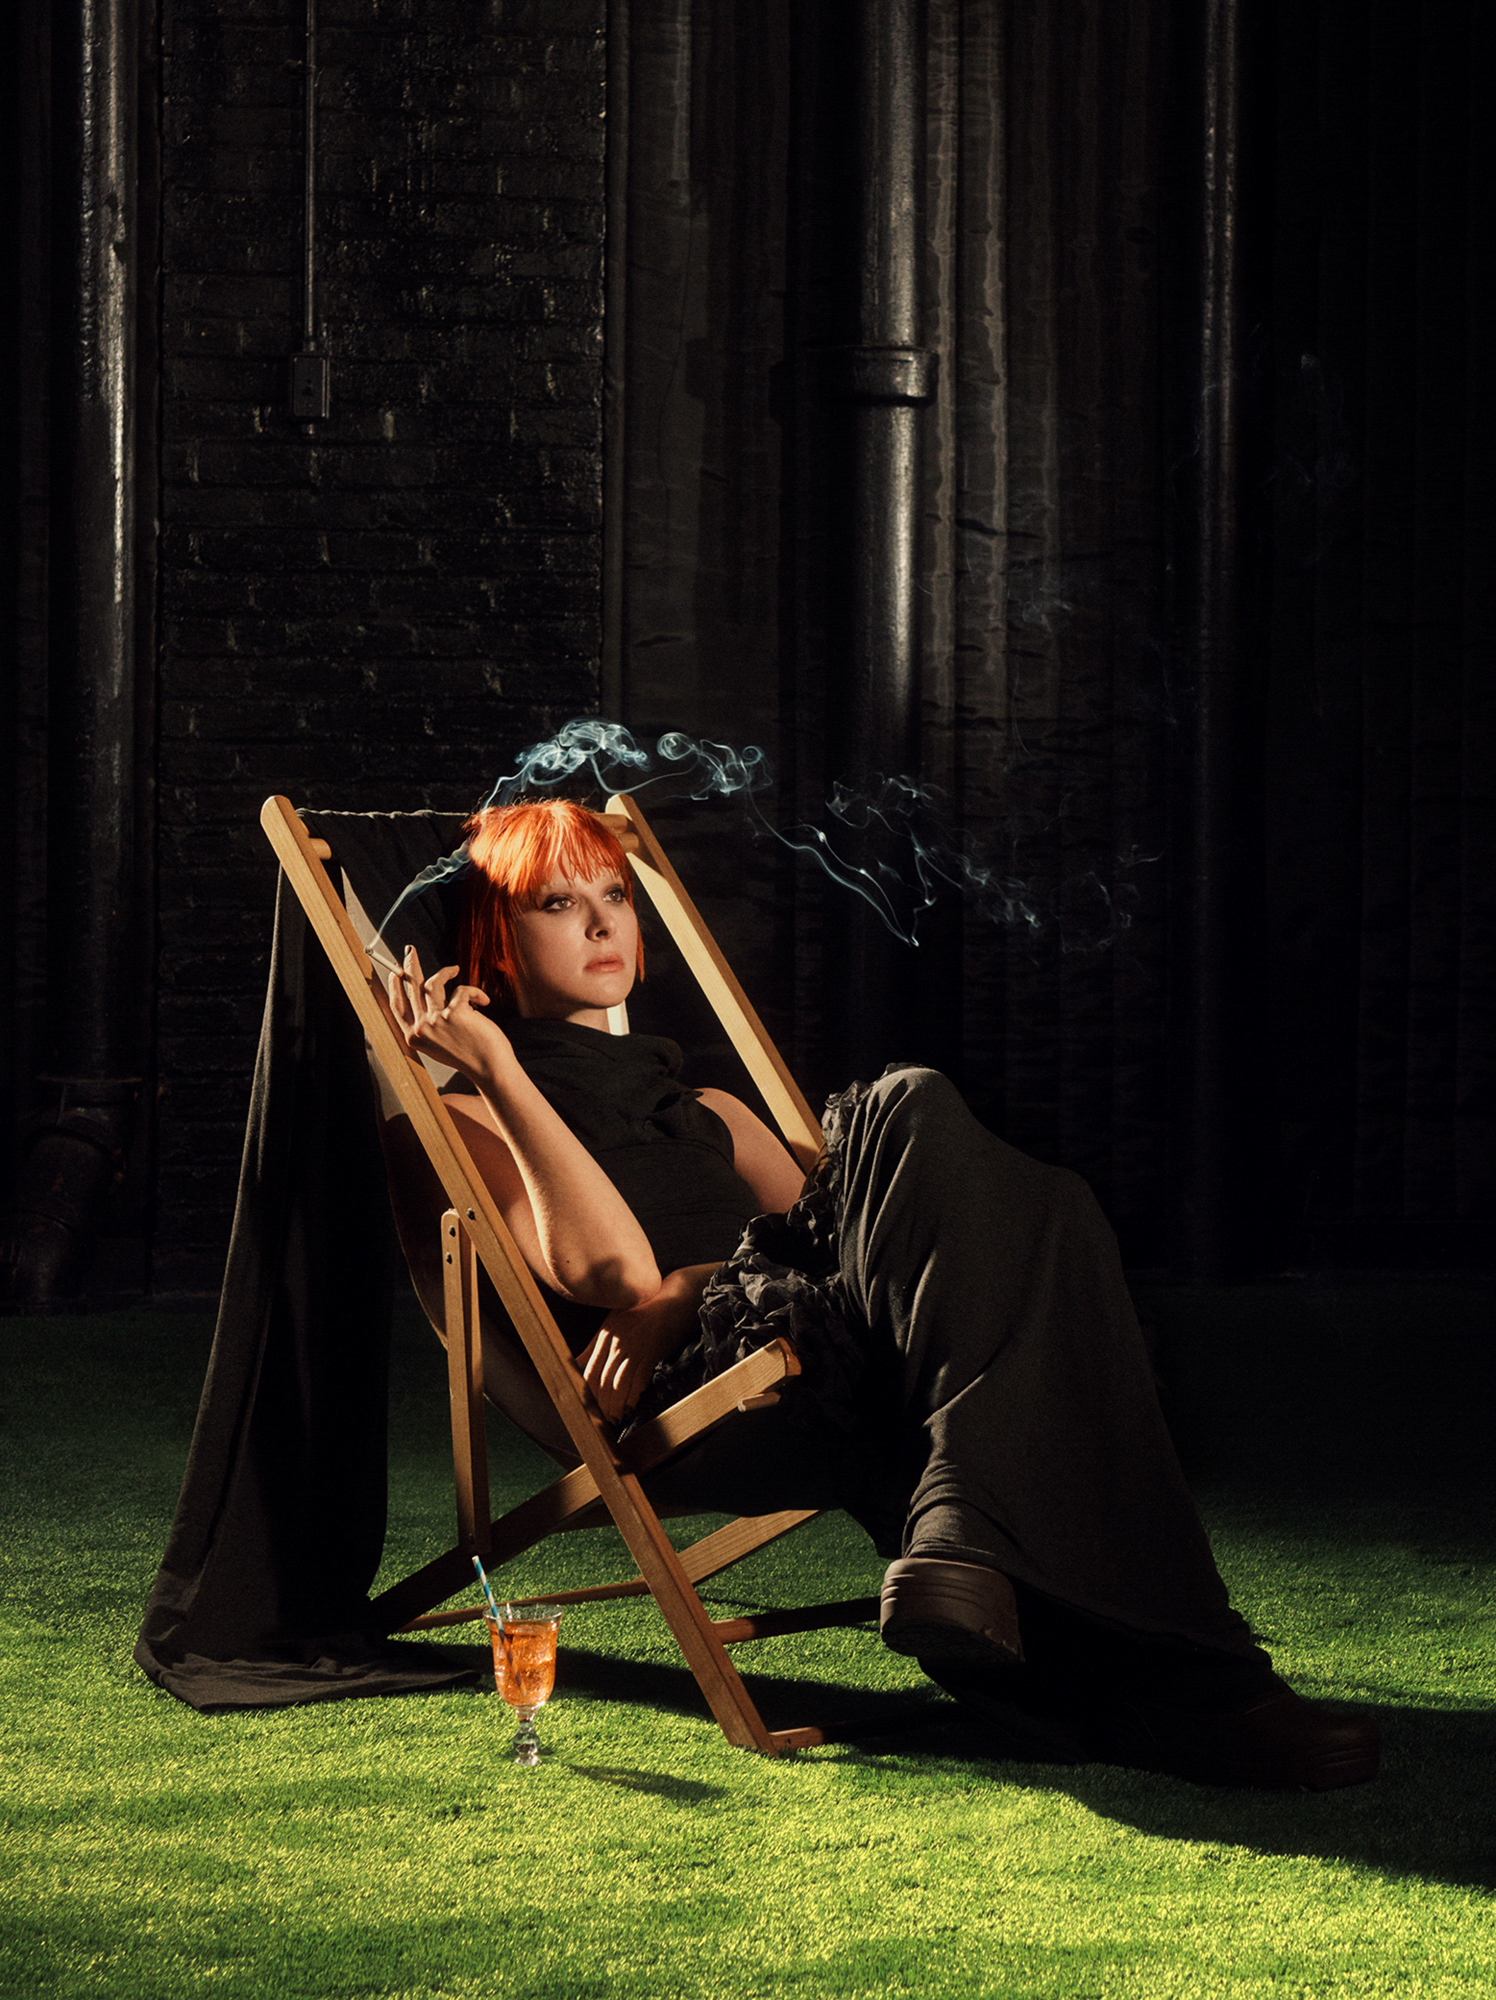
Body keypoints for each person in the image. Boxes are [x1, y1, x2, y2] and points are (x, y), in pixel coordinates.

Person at [387, 797, 1379, 1791]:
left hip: (810, 1340)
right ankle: (1192, 1670)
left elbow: (854, 1250)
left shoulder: (712, 1108)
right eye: (557, 902)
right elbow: (610, 1275)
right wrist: (500, 1072)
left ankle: (985, 1557)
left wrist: (686, 1286)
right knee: (1032, 1207)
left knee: (934, 1123)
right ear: (491, 942)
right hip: (706, 1393)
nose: (605, 922)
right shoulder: (461, 1119)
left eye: (615, 892)